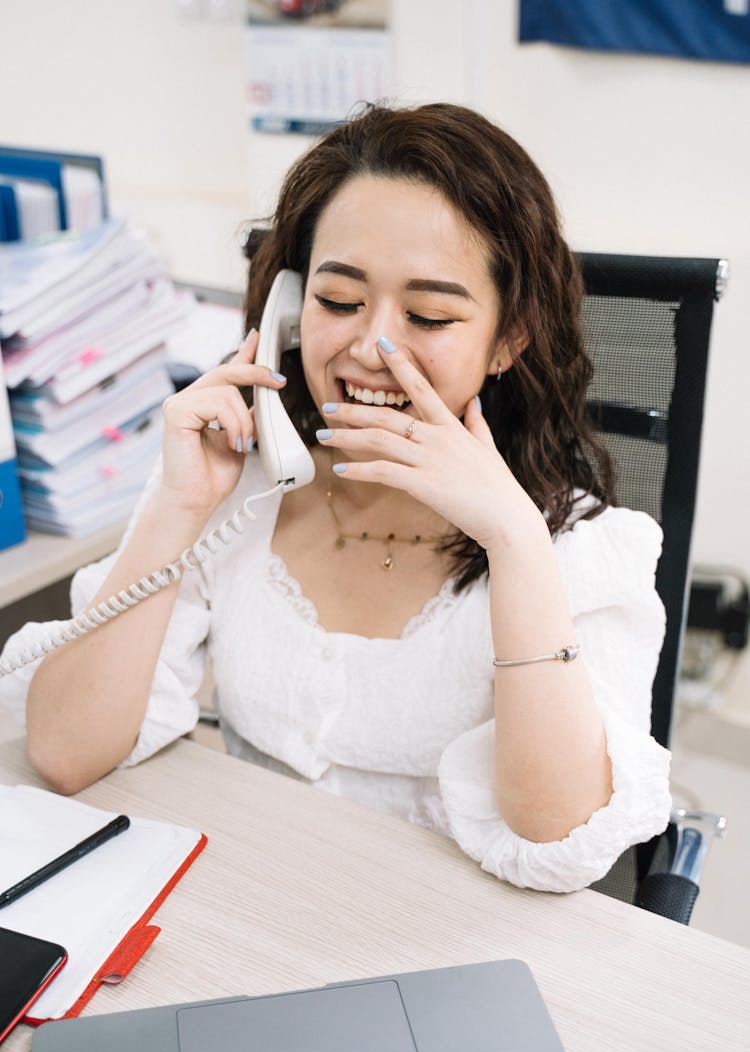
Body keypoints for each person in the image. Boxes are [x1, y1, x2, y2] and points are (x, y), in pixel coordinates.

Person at [0, 102, 670, 893]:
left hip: (452, 947)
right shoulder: (244, 488)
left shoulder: (579, 547)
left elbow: (558, 836)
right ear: (290, 301)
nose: (367, 347)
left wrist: (515, 545)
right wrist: (178, 508)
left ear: (509, 338)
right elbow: (67, 752)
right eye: (338, 300)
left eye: (427, 315)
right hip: (255, 903)